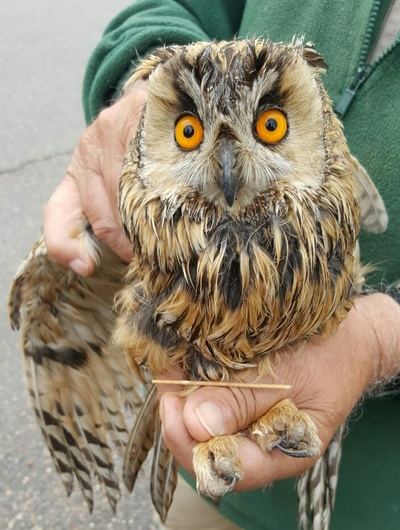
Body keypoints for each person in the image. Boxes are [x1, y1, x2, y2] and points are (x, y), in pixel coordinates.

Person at [44, 1, 400, 528]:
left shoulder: (326, 191)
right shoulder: (154, 223)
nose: (227, 167)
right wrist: (137, 91)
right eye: (189, 134)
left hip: (381, 498)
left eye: (272, 126)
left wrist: (379, 339)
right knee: (46, 284)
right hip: (214, 482)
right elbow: (173, 6)